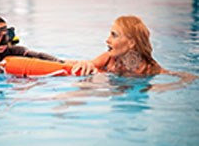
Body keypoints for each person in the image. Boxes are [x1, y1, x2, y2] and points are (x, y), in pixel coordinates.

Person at [69, 15, 197, 90]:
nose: (107, 40)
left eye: (114, 35)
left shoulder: (148, 68)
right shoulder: (110, 58)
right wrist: (86, 63)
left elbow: (188, 77)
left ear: (131, 43)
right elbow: (87, 63)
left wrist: (160, 88)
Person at [0, 13, 64, 77]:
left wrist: (61, 63)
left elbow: (39, 56)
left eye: (6, 34)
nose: (4, 41)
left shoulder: (14, 51)